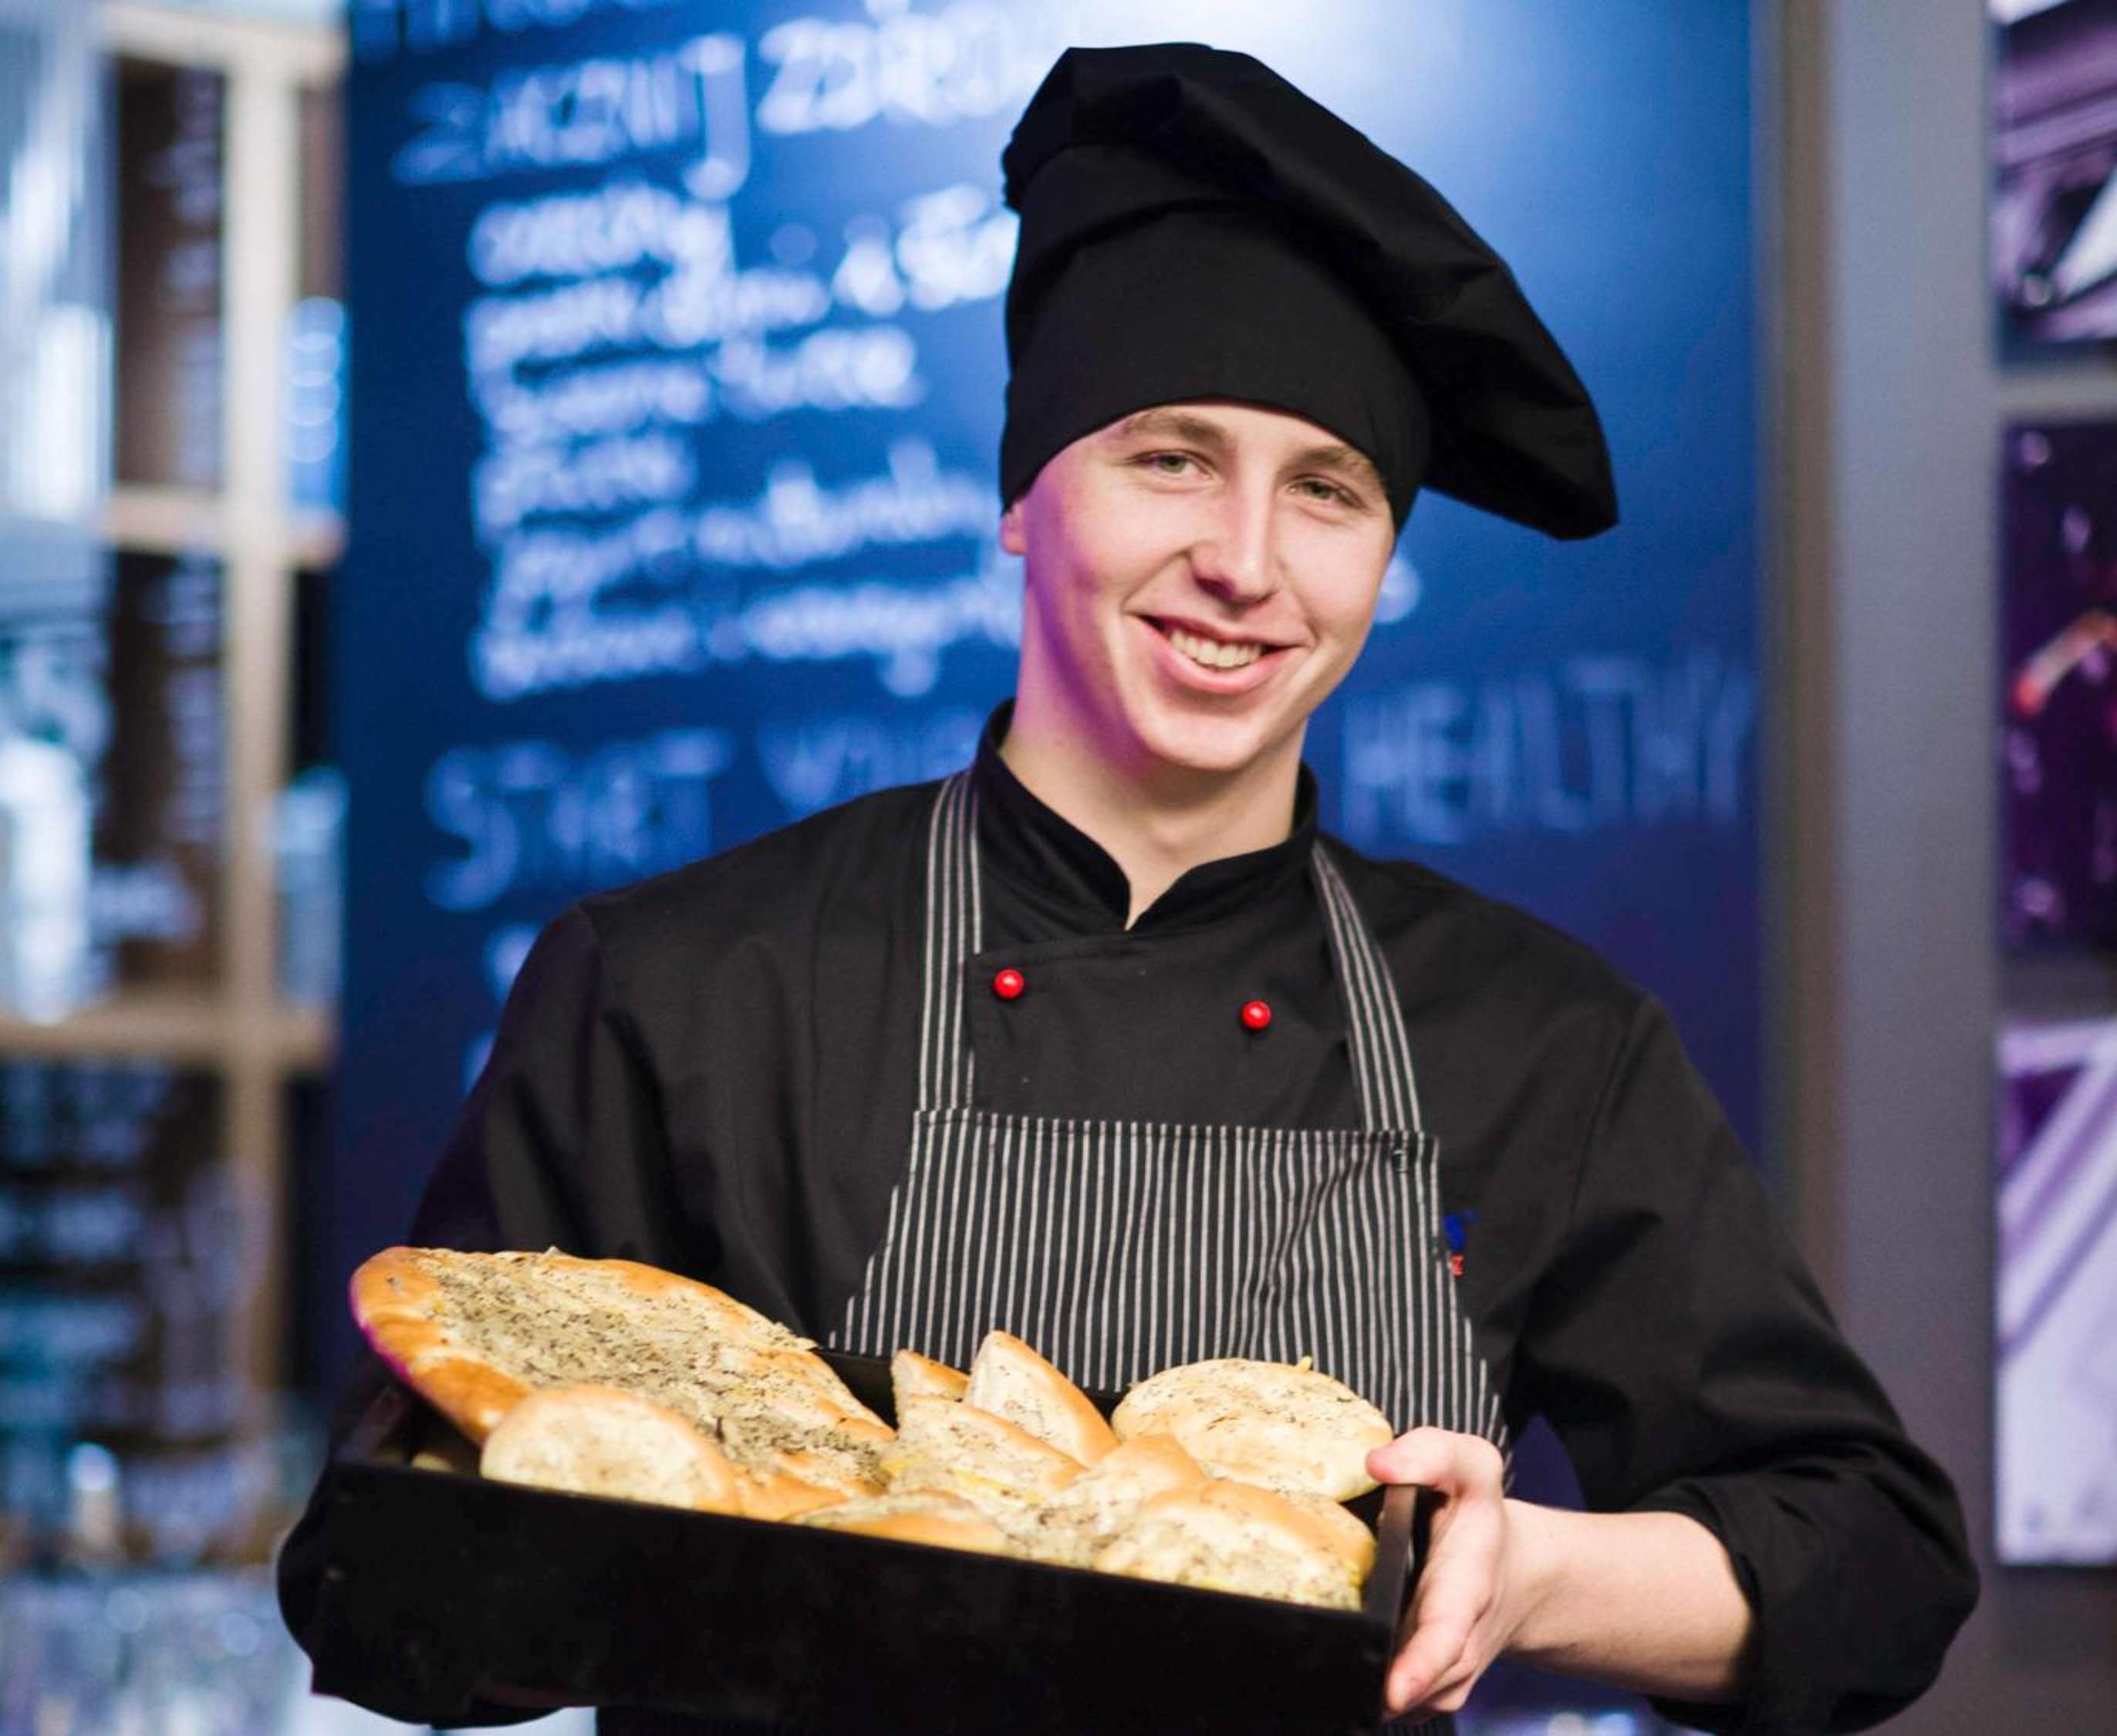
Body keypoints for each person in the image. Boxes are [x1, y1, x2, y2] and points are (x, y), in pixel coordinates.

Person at [283, 42, 1975, 1734]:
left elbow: (1874, 1563)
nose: (1244, 562)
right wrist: (660, 1555)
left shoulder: (1538, 1041)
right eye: (1172, 458)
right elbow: (381, 1598)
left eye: (1328, 492)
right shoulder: (681, 984)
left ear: (1383, 561)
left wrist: (1523, 1573)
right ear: (1025, 496)